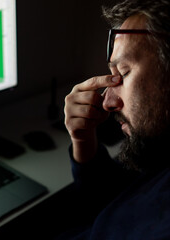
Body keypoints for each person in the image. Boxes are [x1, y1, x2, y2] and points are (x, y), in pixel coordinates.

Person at [62, 0, 170, 238]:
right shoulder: (160, 149)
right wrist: (84, 140)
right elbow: (113, 199)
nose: (107, 102)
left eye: (123, 72)